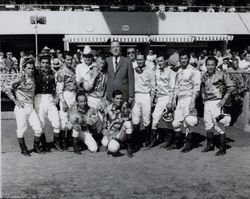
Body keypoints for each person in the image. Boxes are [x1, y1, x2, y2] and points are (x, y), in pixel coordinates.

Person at [3, 57, 43, 156]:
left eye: (32, 68)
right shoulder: (19, 78)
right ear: (24, 68)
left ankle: (36, 147)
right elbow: (6, 88)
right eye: (28, 68)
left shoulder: (34, 76)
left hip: (30, 106)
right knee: (21, 128)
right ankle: (23, 148)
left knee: (38, 128)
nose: (31, 70)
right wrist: (15, 100)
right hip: (21, 107)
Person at [201, 57, 235, 156]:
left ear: (216, 65)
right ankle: (210, 145)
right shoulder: (204, 75)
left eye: (212, 64)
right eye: (208, 65)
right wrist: (203, 97)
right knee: (208, 124)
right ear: (206, 65)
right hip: (207, 103)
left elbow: (231, 86)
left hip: (217, 102)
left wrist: (224, 99)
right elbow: (203, 87)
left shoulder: (221, 74)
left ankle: (222, 148)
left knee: (219, 125)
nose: (210, 67)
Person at [169, 50, 201, 153]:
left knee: (188, 122)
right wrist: (173, 99)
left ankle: (188, 144)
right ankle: (178, 142)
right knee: (175, 123)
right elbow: (177, 86)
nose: (183, 60)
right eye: (181, 59)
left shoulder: (194, 70)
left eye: (185, 58)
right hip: (180, 99)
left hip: (189, 98)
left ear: (189, 59)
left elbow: (197, 87)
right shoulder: (178, 71)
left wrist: (193, 102)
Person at [34, 54, 62, 152]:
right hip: (39, 98)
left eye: (47, 63)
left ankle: (56, 143)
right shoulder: (35, 73)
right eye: (43, 62)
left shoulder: (53, 73)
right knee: (41, 123)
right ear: (40, 63)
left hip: (50, 97)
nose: (45, 65)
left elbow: (58, 86)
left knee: (56, 122)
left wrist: (57, 97)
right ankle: (44, 144)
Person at [149, 55, 176, 149]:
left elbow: (172, 88)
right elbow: (154, 86)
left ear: (166, 61)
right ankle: (153, 141)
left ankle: (169, 141)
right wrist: (153, 99)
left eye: (161, 61)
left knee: (168, 120)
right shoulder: (155, 72)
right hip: (159, 98)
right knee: (155, 118)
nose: (160, 63)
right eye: (158, 61)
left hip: (167, 97)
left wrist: (170, 101)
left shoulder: (171, 72)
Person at [132, 54, 155, 149]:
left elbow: (153, 87)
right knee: (135, 119)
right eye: (138, 59)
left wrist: (152, 99)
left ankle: (147, 139)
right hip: (135, 95)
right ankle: (137, 140)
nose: (139, 61)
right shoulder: (133, 70)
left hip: (145, 95)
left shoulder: (150, 71)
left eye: (141, 59)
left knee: (146, 119)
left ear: (145, 60)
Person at [101, 90, 133, 158]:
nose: (119, 100)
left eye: (121, 98)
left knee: (128, 124)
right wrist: (107, 134)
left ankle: (129, 147)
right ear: (112, 99)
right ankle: (117, 145)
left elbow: (129, 118)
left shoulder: (125, 107)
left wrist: (121, 119)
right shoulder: (107, 109)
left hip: (120, 133)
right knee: (108, 145)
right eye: (117, 98)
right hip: (111, 134)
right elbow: (103, 127)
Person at [56, 51, 77, 150]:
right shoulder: (61, 71)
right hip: (66, 95)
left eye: (71, 59)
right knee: (63, 119)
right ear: (63, 59)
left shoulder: (72, 69)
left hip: (73, 95)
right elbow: (59, 89)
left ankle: (69, 140)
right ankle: (62, 141)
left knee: (71, 119)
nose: (69, 61)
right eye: (67, 59)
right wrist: (63, 102)